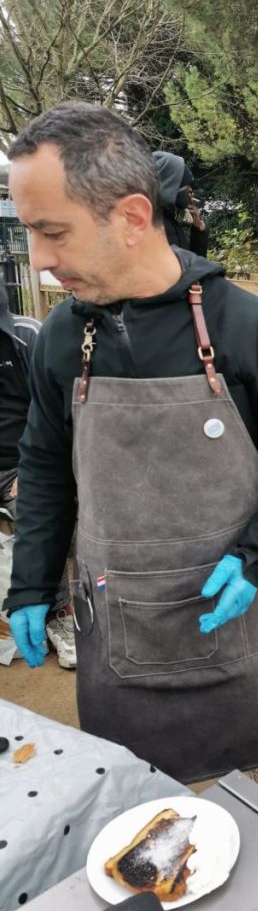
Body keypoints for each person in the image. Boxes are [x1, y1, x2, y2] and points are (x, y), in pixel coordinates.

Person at [4, 101, 258, 783]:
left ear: (131, 216)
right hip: (123, 637)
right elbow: (44, 468)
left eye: (52, 232)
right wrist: (31, 582)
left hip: (242, 614)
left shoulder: (249, 328)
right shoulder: (64, 340)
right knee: (144, 804)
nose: (39, 262)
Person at [0, 282, 76, 668]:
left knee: (43, 508)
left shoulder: (29, 335)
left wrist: (30, 470)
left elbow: (51, 415)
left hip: (21, 461)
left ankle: (61, 615)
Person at [152, 150, 208, 257]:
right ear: (170, 186)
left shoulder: (171, 219)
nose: (191, 191)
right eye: (185, 184)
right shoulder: (154, 228)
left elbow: (192, 266)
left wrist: (198, 230)